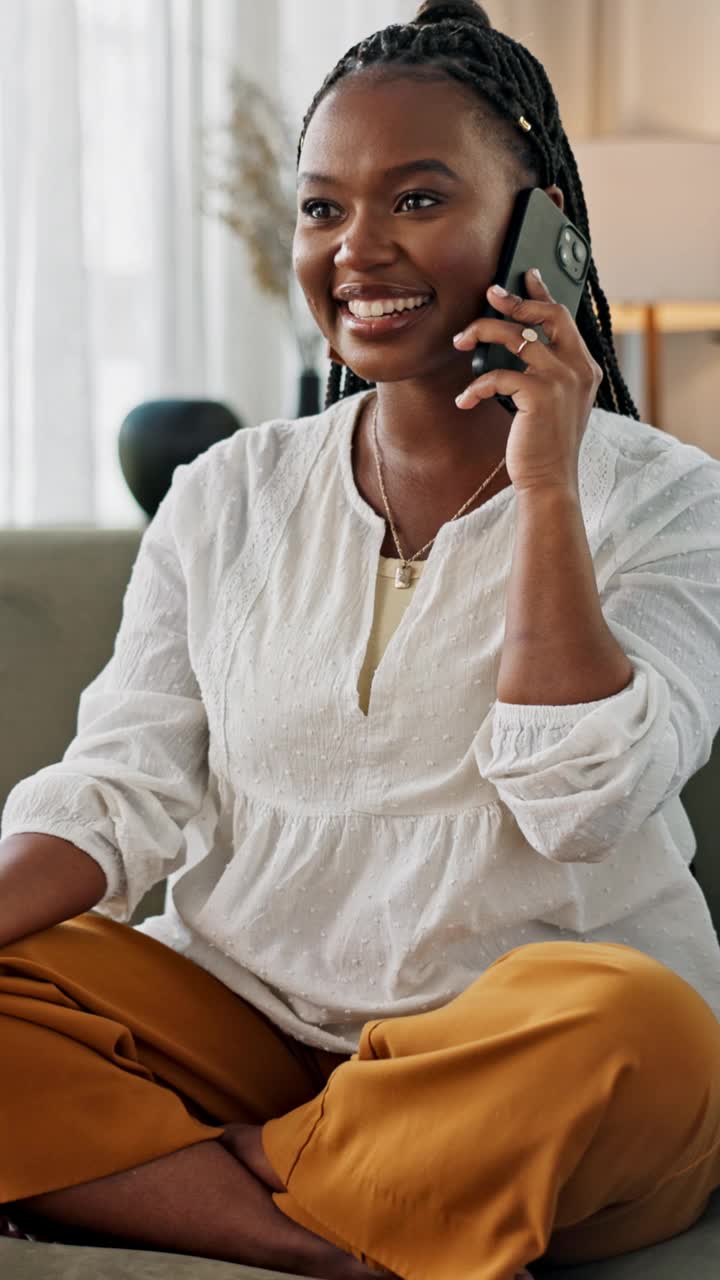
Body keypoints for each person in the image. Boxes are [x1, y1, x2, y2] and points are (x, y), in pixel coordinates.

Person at [1, 2, 720, 1278]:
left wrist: (548, 480)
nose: (357, 249)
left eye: (420, 199)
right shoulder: (226, 491)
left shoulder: (671, 500)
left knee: (644, 1035)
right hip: (242, 1017)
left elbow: (581, 801)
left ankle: (204, 1170)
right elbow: (121, 789)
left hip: (512, 1045)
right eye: (323, 207)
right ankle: (335, 1227)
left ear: (538, 219)